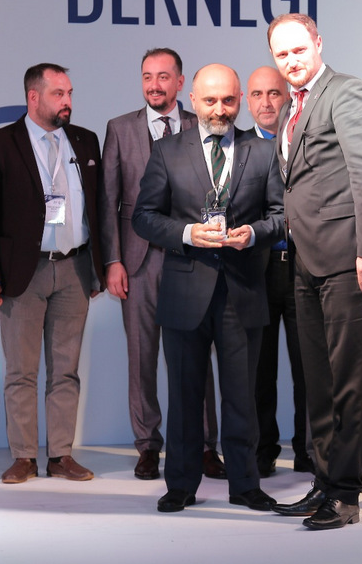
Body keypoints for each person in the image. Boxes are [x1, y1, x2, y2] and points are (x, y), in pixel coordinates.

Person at [132, 63, 284, 513]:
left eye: (229, 100)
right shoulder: (167, 151)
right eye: (211, 100)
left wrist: (252, 234)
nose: (220, 110)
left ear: (240, 101)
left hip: (242, 291)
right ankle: (180, 484)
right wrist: (186, 233)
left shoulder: (263, 152)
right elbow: (144, 216)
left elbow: (281, 217)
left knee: (242, 398)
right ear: (193, 100)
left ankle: (245, 484)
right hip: (185, 292)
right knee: (184, 397)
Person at [267, 13, 362, 530]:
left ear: (318, 42)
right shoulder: (290, 107)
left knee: (349, 381)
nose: (291, 60)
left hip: (347, 260)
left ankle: (345, 494)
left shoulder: (346, 91)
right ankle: (324, 480)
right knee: (316, 381)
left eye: (299, 49)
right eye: (281, 54)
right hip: (305, 258)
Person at [0, 63, 105, 484]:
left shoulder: (84, 140)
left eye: (69, 93)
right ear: (33, 97)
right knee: (21, 371)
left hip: (75, 267)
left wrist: (99, 268)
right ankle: (24, 457)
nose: (67, 102)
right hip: (22, 274)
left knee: (65, 370)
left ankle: (61, 455)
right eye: (58, 94)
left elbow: (99, 208)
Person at [100, 48, 225, 481]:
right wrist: (113, 260)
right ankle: (148, 446)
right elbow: (108, 200)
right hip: (137, 262)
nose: (154, 85)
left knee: (196, 356)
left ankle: (205, 445)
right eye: (147, 76)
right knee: (142, 357)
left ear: (180, 82)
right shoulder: (119, 129)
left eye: (163, 77)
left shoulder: (200, 123)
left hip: (191, 259)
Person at [245, 65, 313, 477]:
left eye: (274, 93)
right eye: (257, 94)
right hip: (258, 271)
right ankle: (263, 449)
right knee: (259, 369)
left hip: (305, 266)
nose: (267, 102)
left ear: (289, 97)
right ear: (247, 101)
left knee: (309, 368)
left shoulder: (305, 140)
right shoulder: (239, 149)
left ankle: (309, 451)